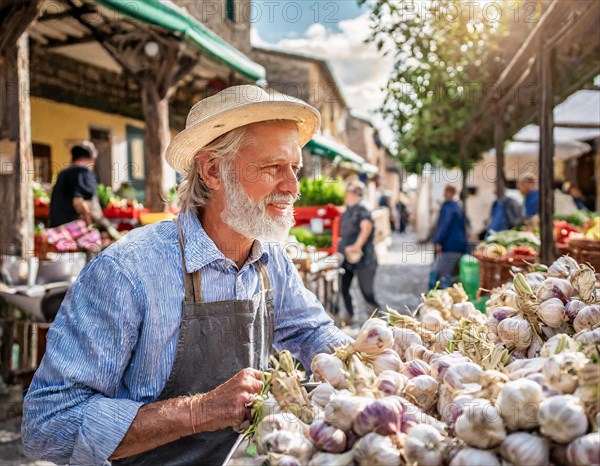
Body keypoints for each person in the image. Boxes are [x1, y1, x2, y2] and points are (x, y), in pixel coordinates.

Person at [22, 85, 352, 465]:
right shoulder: (127, 270)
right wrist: (199, 411)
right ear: (213, 170)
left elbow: (309, 330)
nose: (292, 187)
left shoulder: (270, 258)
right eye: (272, 167)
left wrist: (359, 363)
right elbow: (46, 427)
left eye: (293, 168)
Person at [338, 181, 380, 324]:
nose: (346, 195)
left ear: (354, 194)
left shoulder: (363, 208)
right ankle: (350, 315)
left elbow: (366, 227)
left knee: (366, 291)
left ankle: (376, 319)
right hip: (347, 257)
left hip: (364, 257)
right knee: (344, 286)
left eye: (348, 192)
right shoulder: (348, 209)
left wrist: (357, 246)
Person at [49, 141, 98, 227]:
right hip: (73, 230)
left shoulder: (63, 173)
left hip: (58, 229)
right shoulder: (83, 172)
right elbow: (79, 201)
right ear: (91, 159)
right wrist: (90, 225)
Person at [431, 184, 468, 289]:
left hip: (449, 246)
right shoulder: (458, 206)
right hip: (460, 247)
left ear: (449, 193)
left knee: (442, 279)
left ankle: (441, 302)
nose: (444, 194)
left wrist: (438, 241)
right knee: (454, 278)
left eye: (445, 191)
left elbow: (444, 225)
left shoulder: (447, 207)